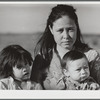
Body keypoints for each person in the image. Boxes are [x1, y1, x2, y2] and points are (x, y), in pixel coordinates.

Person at [30, 4, 100, 90]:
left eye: (70, 29)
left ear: (76, 28)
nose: (66, 36)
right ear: (51, 29)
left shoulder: (91, 56)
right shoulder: (43, 58)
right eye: (60, 30)